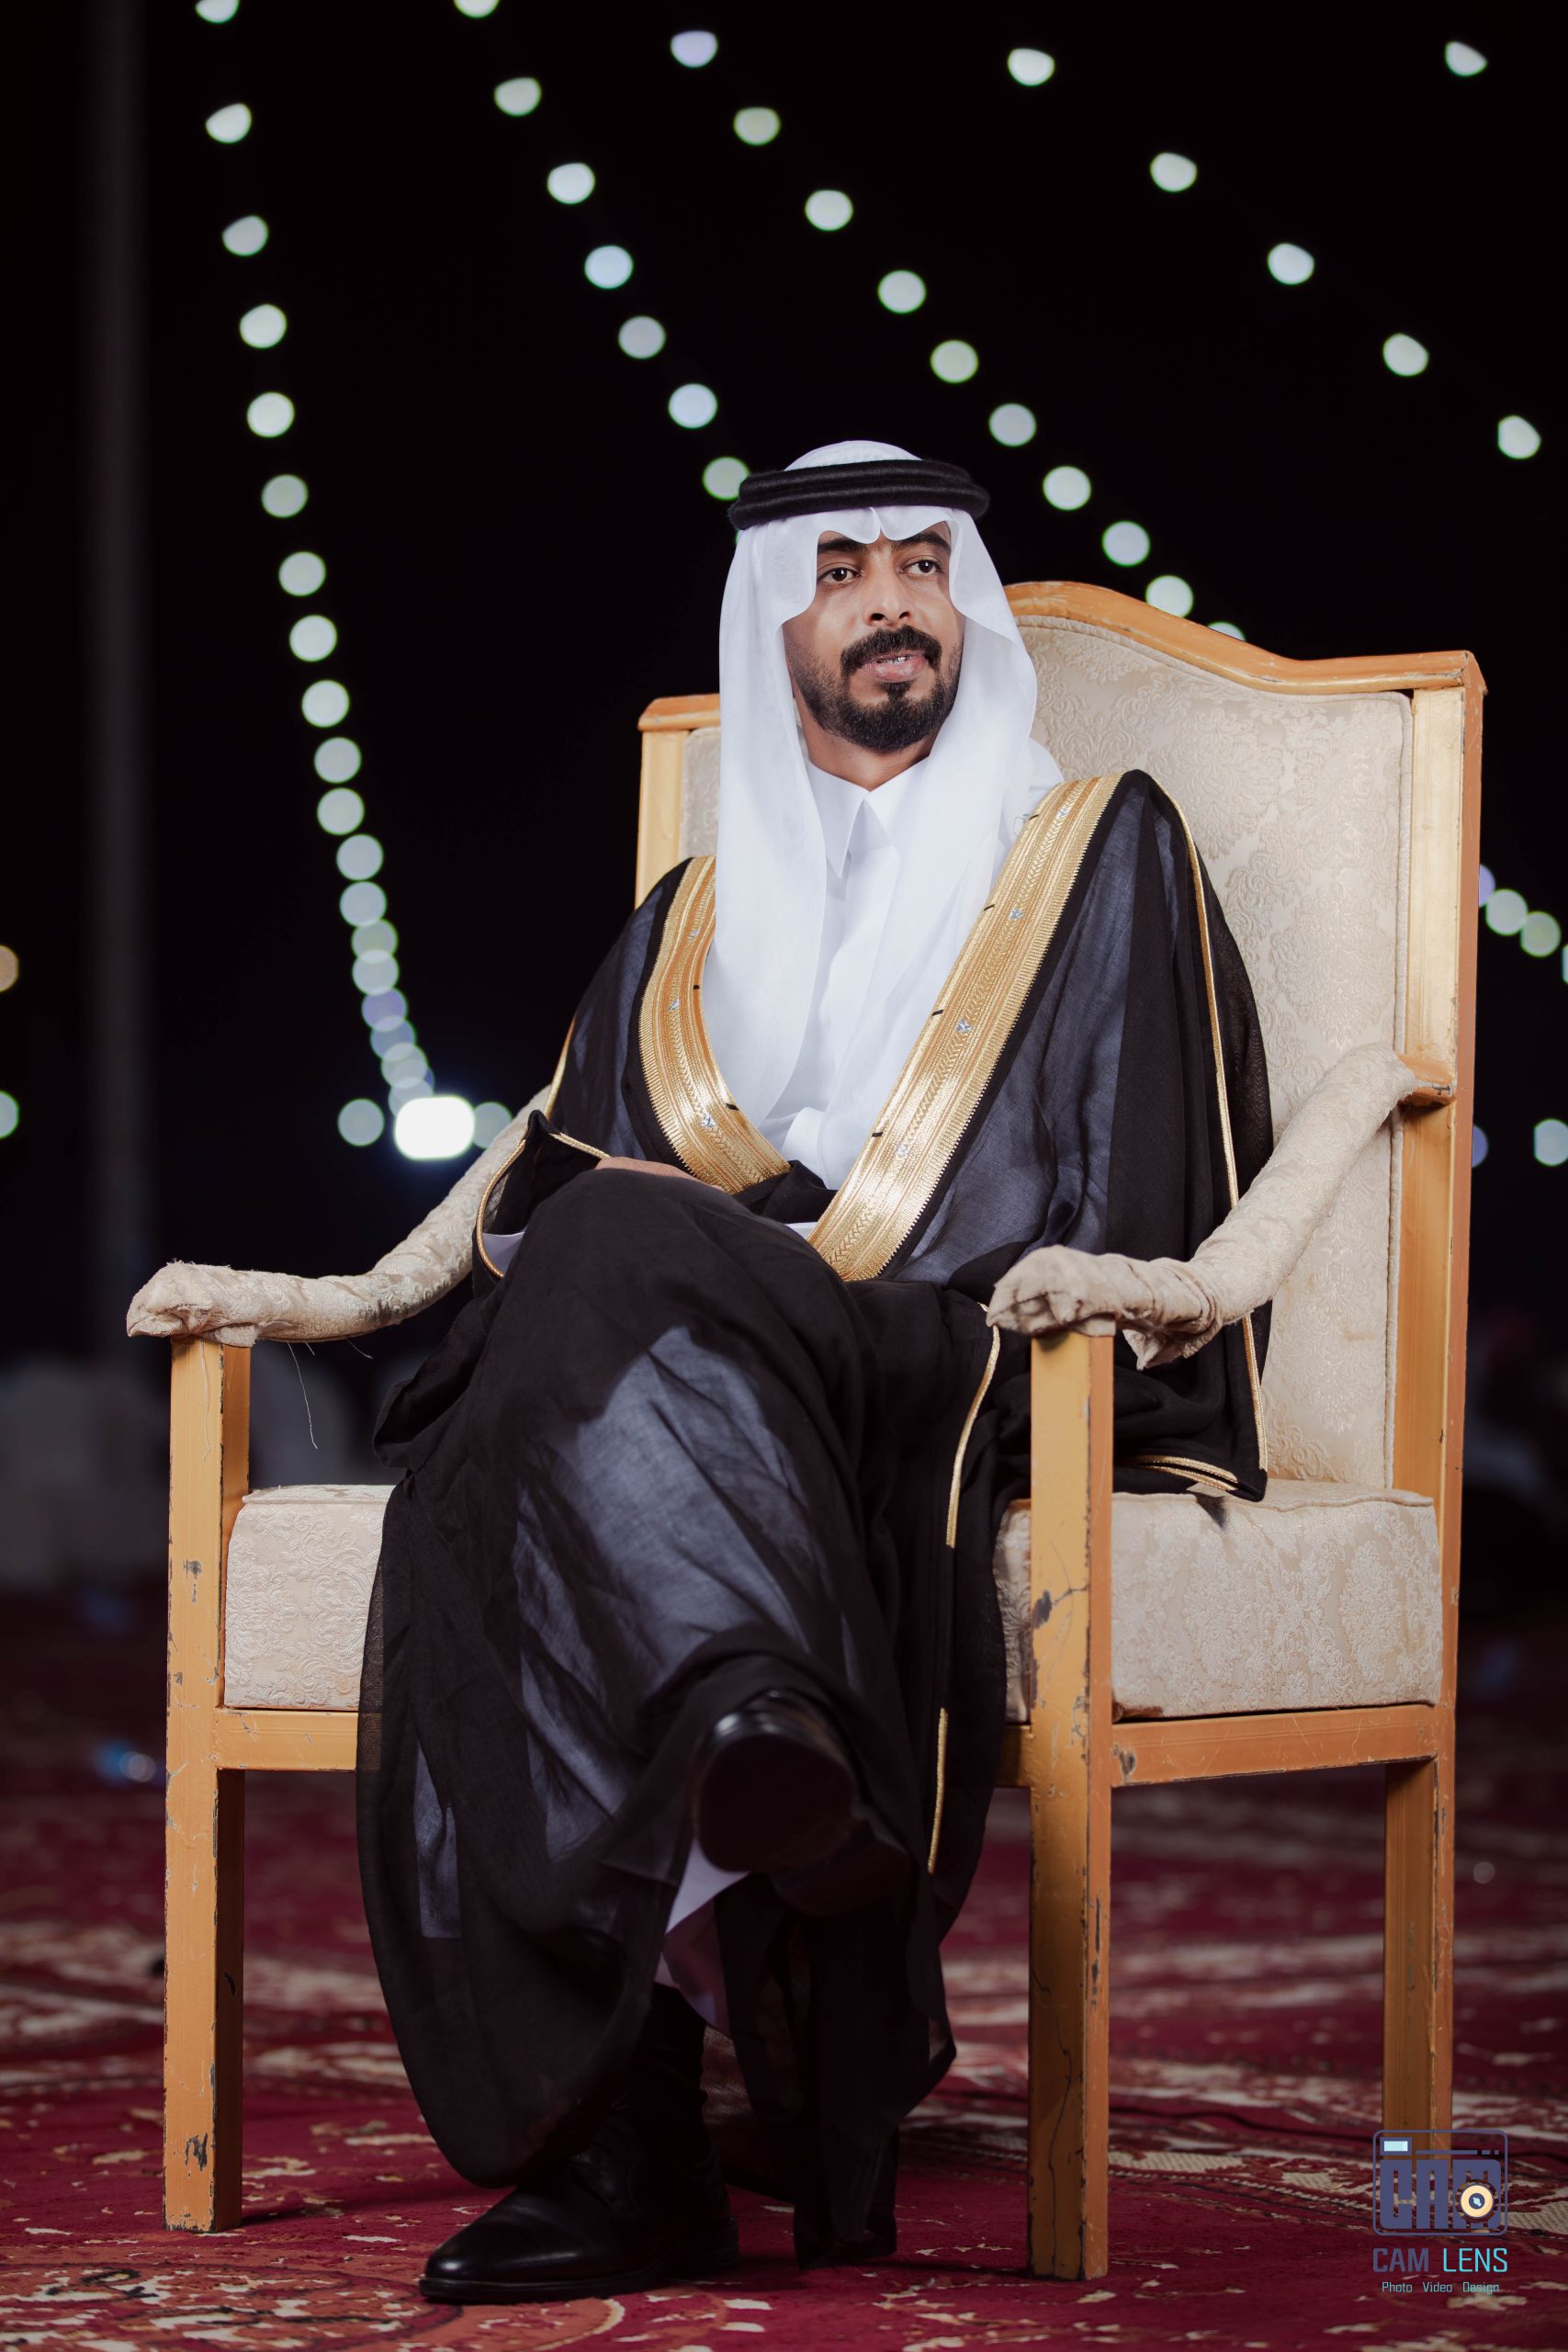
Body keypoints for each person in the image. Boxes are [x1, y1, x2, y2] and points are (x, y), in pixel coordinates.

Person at [130, 441, 1274, 2302]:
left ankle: (625, 2135)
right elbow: (559, 1187)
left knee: (590, 1287)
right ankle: (753, 1739)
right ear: (773, 624)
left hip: (951, 1347)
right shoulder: (684, 921)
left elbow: (1130, 1178)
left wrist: (736, 1236)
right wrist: (637, 1232)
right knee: (534, 1382)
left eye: (923, 565)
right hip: (686, 1366)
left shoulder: (1095, 848)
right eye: (843, 569)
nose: (893, 600)